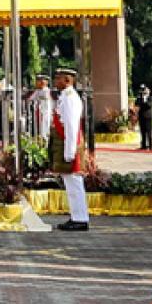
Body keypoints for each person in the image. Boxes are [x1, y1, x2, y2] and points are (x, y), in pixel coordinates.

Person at [48, 64, 90, 231]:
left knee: (74, 183)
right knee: (71, 183)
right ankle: (77, 216)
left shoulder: (71, 97)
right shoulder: (65, 96)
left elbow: (72, 126)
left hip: (69, 144)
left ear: (68, 80)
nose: (55, 81)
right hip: (64, 142)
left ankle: (80, 218)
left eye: (58, 78)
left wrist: (70, 151)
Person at [133, 84, 152, 152]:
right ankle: (143, 146)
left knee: (149, 132)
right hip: (141, 116)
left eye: (145, 89)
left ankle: (151, 146)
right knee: (142, 132)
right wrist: (141, 97)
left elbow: (148, 105)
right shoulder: (139, 98)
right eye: (142, 90)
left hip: (148, 117)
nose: (144, 91)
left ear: (149, 91)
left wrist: (145, 98)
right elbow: (136, 104)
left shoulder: (151, 98)